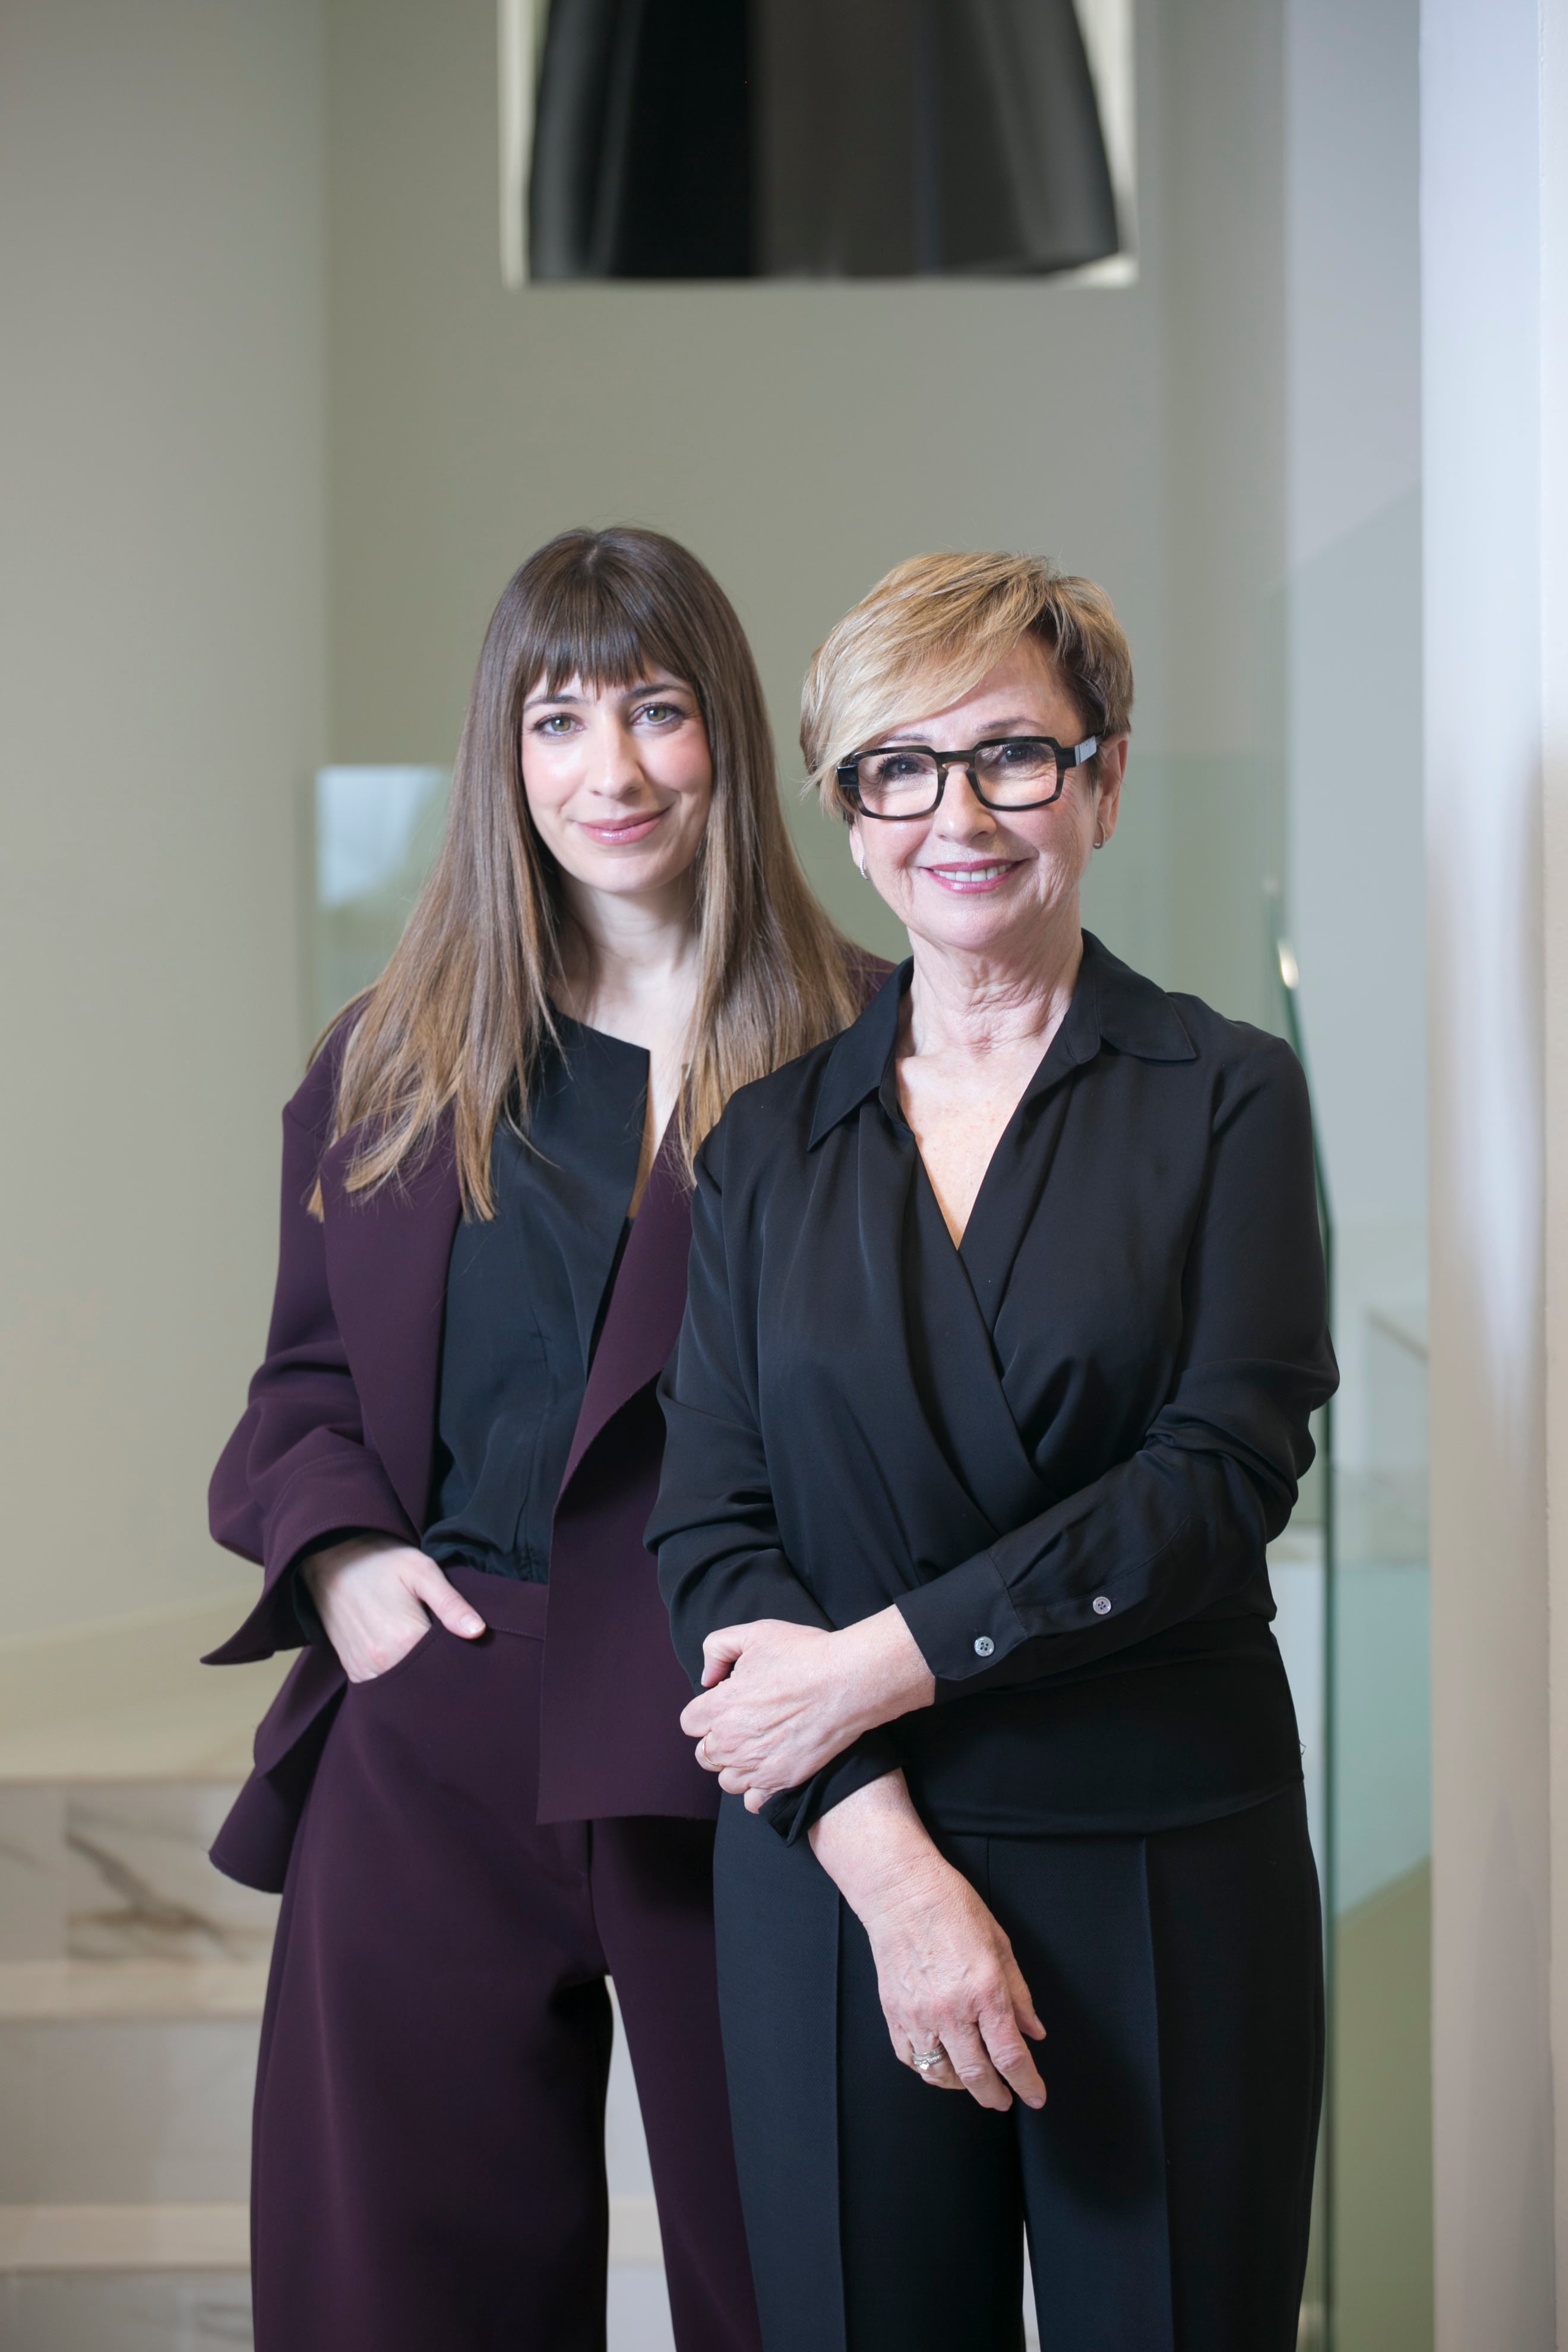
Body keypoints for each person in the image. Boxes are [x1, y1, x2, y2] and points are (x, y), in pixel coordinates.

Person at [651, 551, 1338, 2352]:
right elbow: (711, 1528)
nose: (957, 815)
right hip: (840, 1864)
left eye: (1015, 756)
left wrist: (872, 1664)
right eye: (899, 767)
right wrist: (888, 1865)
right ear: (849, 814)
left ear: (1102, 785)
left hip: (1159, 1852)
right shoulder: (763, 1147)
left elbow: (1221, 1478)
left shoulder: (1227, 1096)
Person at [206, 527, 874, 2352]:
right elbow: (301, 1386)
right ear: (501, 752)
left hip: (743, 1743)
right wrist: (346, 1559)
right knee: (400, 2295)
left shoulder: (869, 1051)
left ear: (726, 730)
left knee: (796, 2284)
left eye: (657, 711)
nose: (612, 770)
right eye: (558, 720)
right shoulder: (392, 1060)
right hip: (437, 1718)